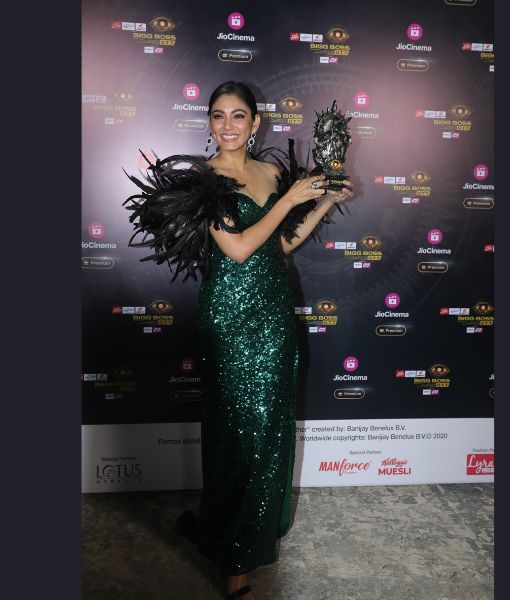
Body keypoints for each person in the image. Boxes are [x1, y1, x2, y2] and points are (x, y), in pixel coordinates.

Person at [126, 81, 353, 600]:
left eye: (237, 115)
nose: (227, 125)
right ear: (209, 123)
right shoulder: (202, 180)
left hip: (273, 315)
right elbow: (239, 248)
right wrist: (291, 198)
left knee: (269, 433)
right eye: (218, 115)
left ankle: (227, 531)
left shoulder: (269, 173)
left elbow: (282, 243)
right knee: (237, 437)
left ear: (256, 123)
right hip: (229, 321)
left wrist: (323, 202)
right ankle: (235, 569)